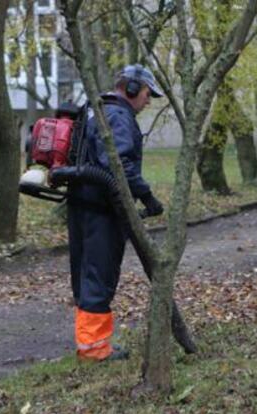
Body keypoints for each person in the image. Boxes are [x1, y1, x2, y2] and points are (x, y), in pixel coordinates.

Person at [67, 64, 165, 362]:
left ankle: (89, 343)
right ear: (132, 89)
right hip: (103, 210)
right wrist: (147, 197)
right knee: (100, 274)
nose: (148, 101)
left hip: (79, 205)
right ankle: (95, 349)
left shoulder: (94, 109)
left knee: (84, 274)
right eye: (147, 93)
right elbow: (120, 166)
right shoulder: (119, 116)